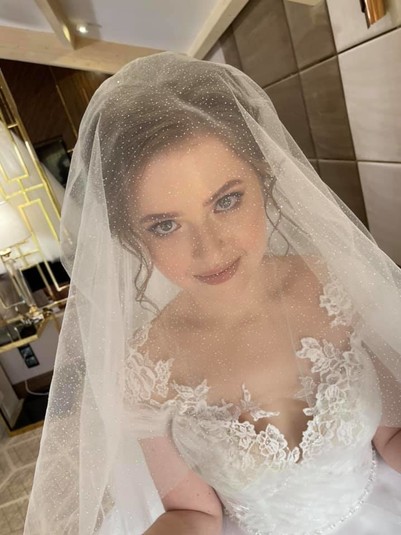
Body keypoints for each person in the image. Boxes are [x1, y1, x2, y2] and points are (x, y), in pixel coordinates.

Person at [24, 52, 401, 535]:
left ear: (263, 177)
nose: (210, 249)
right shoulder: (147, 368)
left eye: (227, 200)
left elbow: (391, 432)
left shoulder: (337, 283)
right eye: (165, 225)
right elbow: (193, 512)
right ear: (131, 237)